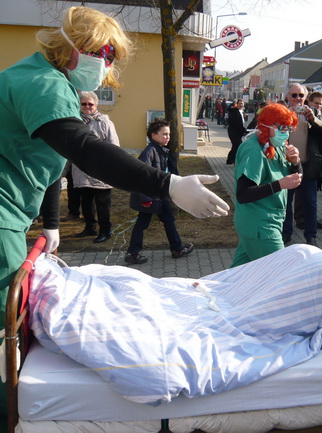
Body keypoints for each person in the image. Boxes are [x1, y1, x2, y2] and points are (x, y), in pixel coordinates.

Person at [0, 5, 228, 427]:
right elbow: (87, 151)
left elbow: (50, 162)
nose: (106, 65)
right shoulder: (42, 84)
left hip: (13, 215)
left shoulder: (47, 81)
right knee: (4, 327)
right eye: (103, 54)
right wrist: (169, 185)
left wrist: (52, 224)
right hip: (2, 218)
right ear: (75, 48)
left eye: (111, 57)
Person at [231, 103, 302, 267]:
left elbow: (297, 179)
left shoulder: (276, 145)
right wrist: (279, 185)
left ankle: (212, 285)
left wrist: (296, 162)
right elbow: (243, 194)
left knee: (239, 272)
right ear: (266, 125)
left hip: (267, 223)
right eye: (282, 127)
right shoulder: (253, 150)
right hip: (260, 226)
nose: (285, 133)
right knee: (281, 270)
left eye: (288, 128)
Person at [125, 120, 194, 264]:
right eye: (164, 134)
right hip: (150, 197)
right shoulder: (150, 152)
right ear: (153, 135)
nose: (167, 137)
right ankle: (132, 253)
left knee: (169, 220)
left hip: (159, 196)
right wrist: (145, 199)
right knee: (142, 224)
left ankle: (177, 248)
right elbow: (140, 176)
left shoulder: (162, 150)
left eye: (168, 134)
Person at [282, 84, 322, 246]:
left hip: (308, 166)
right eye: (294, 95)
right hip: (286, 165)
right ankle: (286, 233)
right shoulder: (282, 112)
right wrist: (285, 119)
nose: (297, 99)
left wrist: (313, 119)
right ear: (288, 97)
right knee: (286, 203)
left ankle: (311, 236)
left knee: (310, 203)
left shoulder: (313, 112)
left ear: (306, 97)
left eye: (301, 95)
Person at [72, 91, 120, 243]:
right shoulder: (75, 122)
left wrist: (110, 165)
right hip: (81, 169)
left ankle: (105, 230)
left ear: (96, 105)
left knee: (102, 204)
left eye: (90, 104)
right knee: (86, 202)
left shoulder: (105, 122)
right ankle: (90, 227)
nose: (87, 107)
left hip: (101, 169)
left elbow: (114, 145)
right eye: (84, 104)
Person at [226, 99, 248, 165]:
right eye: (240, 103)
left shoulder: (242, 112)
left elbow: (242, 122)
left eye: (242, 103)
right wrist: (243, 130)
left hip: (239, 131)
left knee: (236, 146)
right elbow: (236, 123)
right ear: (237, 104)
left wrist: (244, 130)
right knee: (237, 145)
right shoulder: (235, 112)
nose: (241, 105)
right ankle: (233, 159)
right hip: (233, 131)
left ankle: (230, 159)